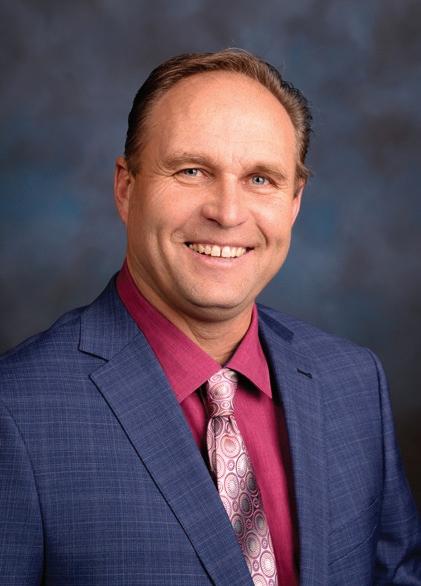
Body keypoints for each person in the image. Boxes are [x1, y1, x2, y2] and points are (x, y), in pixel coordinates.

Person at [0, 49, 420, 586]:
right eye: (192, 171)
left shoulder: (354, 382)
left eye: (261, 179)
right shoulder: (17, 412)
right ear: (126, 188)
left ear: (294, 203)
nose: (227, 212)